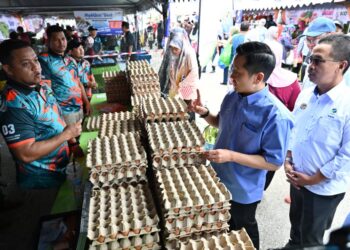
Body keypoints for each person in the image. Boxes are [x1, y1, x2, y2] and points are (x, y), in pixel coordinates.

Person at [193, 42, 294, 249]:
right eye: (232, 70)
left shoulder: (276, 115)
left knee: (244, 230)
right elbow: (221, 122)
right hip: (217, 177)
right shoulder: (233, 96)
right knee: (224, 227)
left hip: (243, 189)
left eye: (237, 73)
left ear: (258, 77)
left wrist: (231, 156)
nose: (231, 77)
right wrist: (204, 113)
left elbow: (273, 162)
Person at [0, 39, 81, 249]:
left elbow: (56, 116)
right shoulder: (13, 103)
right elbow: (25, 153)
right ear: (8, 69)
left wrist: (71, 143)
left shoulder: (41, 86)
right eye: (26, 64)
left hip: (60, 170)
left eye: (35, 60)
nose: (36, 67)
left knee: (64, 229)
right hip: (40, 182)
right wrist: (66, 135)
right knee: (46, 231)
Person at [285, 34, 350, 247]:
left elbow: (347, 154)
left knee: (312, 238)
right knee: (296, 226)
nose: (310, 65)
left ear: (341, 65)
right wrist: (288, 158)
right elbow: (294, 131)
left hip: (323, 189)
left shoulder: (346, 104)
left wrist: (314, 179)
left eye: (318, 61)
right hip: (297, 180)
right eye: (310, 59)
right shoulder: (306, 95)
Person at [38, 25, 91, 156]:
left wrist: (86, 102)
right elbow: (47, 96)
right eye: (56, 40)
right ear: (48, 41)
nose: (61, 42)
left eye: (63, 38)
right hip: (63, 113)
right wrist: (72, 141)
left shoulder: (70, 60)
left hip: (78, 109)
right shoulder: (44, 60)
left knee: (82, 141)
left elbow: (78, 82)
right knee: (70, 150)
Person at [301, 17, 337, 89]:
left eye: (314, 39)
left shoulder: (339, 65)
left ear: (330, 36)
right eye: (308, 40)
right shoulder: (311, 59)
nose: (311, 44)